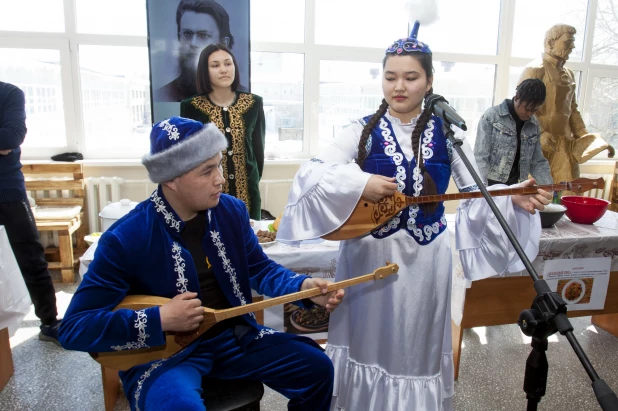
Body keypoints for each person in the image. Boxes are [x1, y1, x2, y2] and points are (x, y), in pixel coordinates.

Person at [276, 19, 551, 410]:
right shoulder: (360, 130)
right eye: (390, 77)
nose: (399, 86)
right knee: (366, 342)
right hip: (368, 261)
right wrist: (360, 183)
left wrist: (512, 200)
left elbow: (476, 192)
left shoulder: (447, 134)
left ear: (430, 81)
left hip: (426, 263)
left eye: (410, 77)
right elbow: (314, 171)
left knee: (414, 347)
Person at [58, 116, 344, 411]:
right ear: (170, 177)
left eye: (218, 165)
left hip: (235, 338)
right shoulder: (127, 236)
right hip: (165, 357)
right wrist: (161, 319)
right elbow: (74, 328)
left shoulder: (230, 211)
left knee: (318, 368)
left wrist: (304, 287)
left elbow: (259, 269)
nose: (220, 178)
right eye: (207, 171)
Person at [0, 81, 61, 344]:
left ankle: (49, 322)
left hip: (8, 190)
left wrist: (6, 143)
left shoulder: (9, 93)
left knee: (30, 257)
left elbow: (11, 137)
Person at [519, 24, 614, 189]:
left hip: (564, 144)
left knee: (567, 191)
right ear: (550, 42)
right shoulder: (534, 70)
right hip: (539, 144)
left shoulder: (568, 74)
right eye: (568, 42)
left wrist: (585, 138)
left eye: (573, 42)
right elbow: (522, 108)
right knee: (535, 192)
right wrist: (540, 133)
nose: (572, 47)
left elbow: (573, 110)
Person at [181, 43, 264, 220]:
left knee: (248, 241)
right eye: (215, 65)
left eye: (228, 63)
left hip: (248, 193)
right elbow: (190, 156)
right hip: (208, 194)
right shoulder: (191, 107)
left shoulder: (253, 103)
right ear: (205, 70)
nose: (223, 70)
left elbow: (258, 151)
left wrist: (253, 181)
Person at [154, 0, 248, 102]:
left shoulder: (246, 98)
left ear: (224, 44)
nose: (193, 43)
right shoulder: (164, 94)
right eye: (187, 34)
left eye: (203, 35)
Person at [474, 78, 552, 186]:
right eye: (527, 108)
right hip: (491, 185)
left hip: (517, 186)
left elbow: (537, 161)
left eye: (534, 110)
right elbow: (481, 156)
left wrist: (549, 187)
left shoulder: (533, 124)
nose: (529, 114)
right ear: (517, 96)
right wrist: (481, 188)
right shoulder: (492, 116)